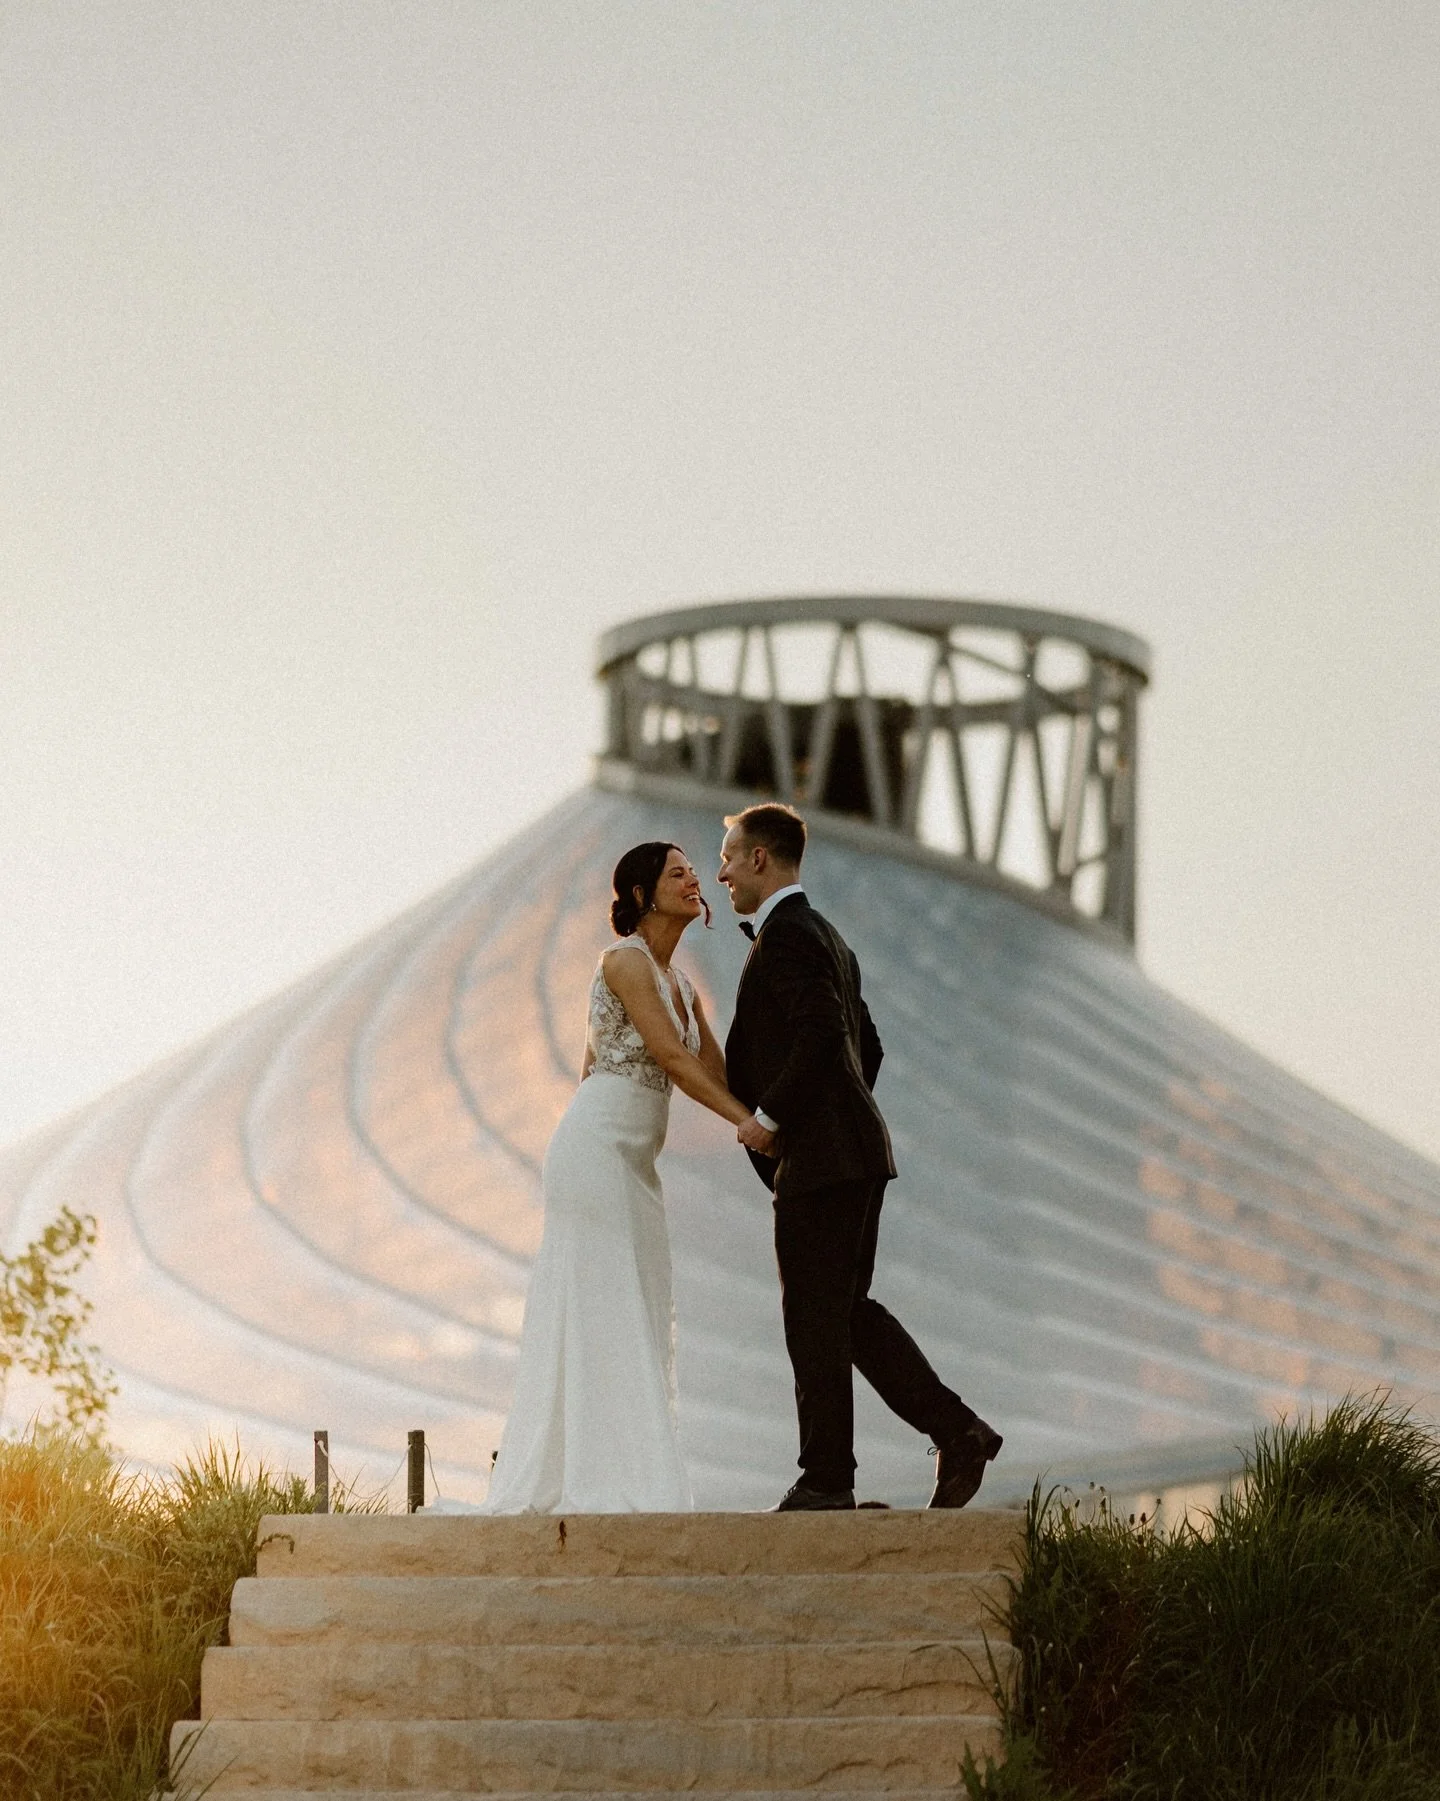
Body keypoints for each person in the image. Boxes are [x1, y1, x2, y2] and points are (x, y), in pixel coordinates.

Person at [718, 801, 1003, 1511]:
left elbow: (822, 1032)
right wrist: (837, 1114)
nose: (720, 869)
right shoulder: (828, 937)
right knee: (845, 1315)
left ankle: (826, 1481)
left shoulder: (787, 938)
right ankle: (956, 1430)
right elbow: (864, 1047)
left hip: (822, 1161)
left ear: (761, 858)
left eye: (728, 855)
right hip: (853, 1152)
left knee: (813, 1321)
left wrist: (776, 1118)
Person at [482, 841, 752, 1513]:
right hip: (595, 1148)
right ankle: (607, 1484)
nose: (695, 880)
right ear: (641, 895)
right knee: (606, 1300)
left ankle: (624, 1471)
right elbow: (666, 1054)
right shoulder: (624, 961)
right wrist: (745, 1125)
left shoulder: (683, 986)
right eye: (678, 873)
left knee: (641, 1300)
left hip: (635, 1161)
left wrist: (769, 1111)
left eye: (694, 872)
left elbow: (719, 1071)